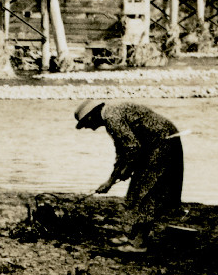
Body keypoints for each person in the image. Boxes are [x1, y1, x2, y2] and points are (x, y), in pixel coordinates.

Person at [74, 99, 184, 251]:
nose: (91, 129)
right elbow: (123, 150)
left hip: (162, 143)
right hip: (152, 145)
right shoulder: (110, 117)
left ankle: (139, 244)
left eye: (87, 124)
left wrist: (116, 176)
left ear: (91, 116)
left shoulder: (112, 117)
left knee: (146, 193)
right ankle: (133, 237)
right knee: (138, 190)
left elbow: (132, 148)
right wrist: (117, 174)